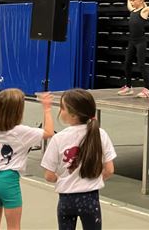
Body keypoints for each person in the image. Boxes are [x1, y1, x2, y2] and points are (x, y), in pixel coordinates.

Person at [41, 88, 116, 230]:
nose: (60, 111)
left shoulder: (59, 138)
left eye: (62, 108)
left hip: (66, 200)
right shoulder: (100, 134)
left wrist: (62, 179)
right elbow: (110, 170)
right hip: (90, 199)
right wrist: (95, 179)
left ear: (73, 115)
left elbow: (49, 175)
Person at [0, 88, 54, 230]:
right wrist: (47, 109)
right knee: (14, 226)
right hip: (9, 180)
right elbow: (48, 132)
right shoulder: (20, 132)